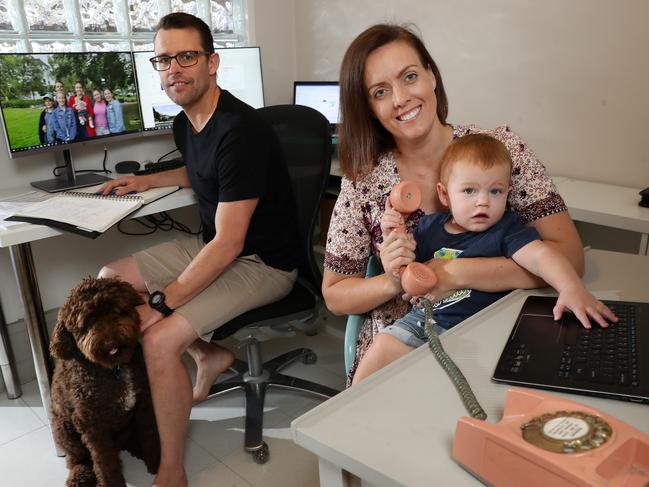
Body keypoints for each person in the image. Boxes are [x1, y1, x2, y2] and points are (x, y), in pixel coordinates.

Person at [96, 12, 299, 486]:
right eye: (164, 59)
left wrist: (165, 304)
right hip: (218, 246)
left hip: (263, 262)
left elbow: (230, 243)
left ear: (212, 62)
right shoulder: (186, 122)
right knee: (111, 277)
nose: (175, 69)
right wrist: (145, 180)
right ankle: (209, 353)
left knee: (157, 337)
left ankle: (171, 469)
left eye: (186, 56)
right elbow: (200, 172)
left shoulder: (239, 129)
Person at [322, 24, 586, 385]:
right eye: (381, 91)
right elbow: (336, 295)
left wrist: (456, 273)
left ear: (431, 76)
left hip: (497, 323)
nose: (400, 98)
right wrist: (394, 281)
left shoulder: (499, 151)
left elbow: (569, 257)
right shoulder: (363, 184)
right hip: (407, 336)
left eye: (410, 77)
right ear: (368, 107)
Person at [353, 134, 617, 383]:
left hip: (486, 329)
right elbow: (410, 272)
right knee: (382, 348)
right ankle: (349, 413)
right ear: (445, 194)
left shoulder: (506, 230)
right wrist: (394, 236)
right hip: (428, 321)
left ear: (508, 192)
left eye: (495, 191)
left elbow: (542, 257)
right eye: (469, 191)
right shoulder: (427, 228)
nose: (483, 202)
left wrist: (571, 288)